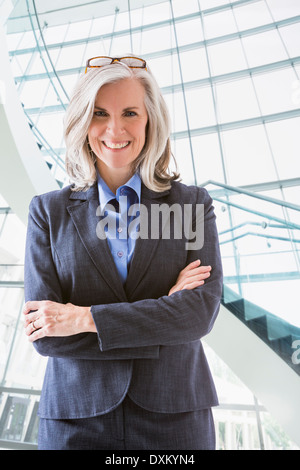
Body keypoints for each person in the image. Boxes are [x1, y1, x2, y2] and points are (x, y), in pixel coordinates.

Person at [23, 56, 223, 450]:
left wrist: (82, 317)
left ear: (150, 120)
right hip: (75, 420)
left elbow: (199, 313)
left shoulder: (191, 205)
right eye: (100, 113)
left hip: (175, 417)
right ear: (82, 121)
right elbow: (45, 335)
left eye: (130, 112)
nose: (115, 129)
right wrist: (164, 313)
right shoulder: (48, 212)